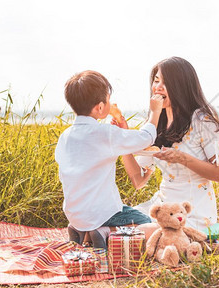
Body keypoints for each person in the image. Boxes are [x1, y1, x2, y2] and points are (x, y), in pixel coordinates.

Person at [115, 57, 219, 231]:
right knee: (113, 216)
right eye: (156, 81)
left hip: (192, 214)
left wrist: (182, 158)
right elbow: (138, 180)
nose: (158, 88)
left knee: (136, 232)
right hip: (163, 207)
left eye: (166, 83)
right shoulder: (156, 122)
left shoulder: (202, 120)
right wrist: (124, 142)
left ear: (181, 87)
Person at [55, 70, 163, 249]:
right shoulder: (105, 134)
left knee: (108, 212)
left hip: (74, 213)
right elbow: (146, 137)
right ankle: (106, 232)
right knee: (149, 223)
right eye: (108, 99)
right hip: (102, 213)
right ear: (99, 107)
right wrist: (154, 111)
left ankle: (82, 231)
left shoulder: (65, 136)